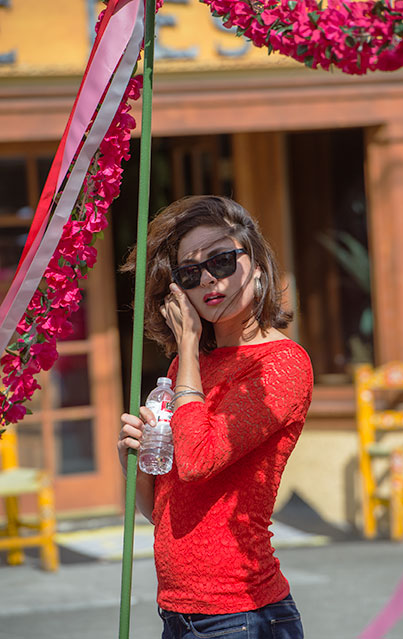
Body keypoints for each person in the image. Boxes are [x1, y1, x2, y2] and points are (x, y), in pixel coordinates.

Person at [117, 195, 313, 639]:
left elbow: (197, 460)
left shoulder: (281, 363)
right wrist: (134, 456)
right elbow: (162, 510)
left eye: (222, 261)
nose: (208, 278)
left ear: (257, 265)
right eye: (190, 272)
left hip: (242, 615)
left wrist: (187, 346)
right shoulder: (186, 368)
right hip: (177, 613)